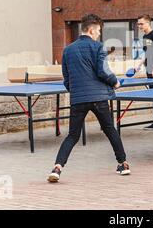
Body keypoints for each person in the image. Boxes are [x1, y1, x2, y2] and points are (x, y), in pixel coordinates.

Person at [47, 14, 130, 183]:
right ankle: (123, 164)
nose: (99, 34)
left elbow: (66, 78)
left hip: (78, 98)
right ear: (91, 30)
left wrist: (76, 91)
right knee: (110, 129)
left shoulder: (68, 50)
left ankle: (57, 168)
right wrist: (115, 83)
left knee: (72, 136)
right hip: (99, 97)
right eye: (98, 30)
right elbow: (103, 71)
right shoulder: (98, 47)